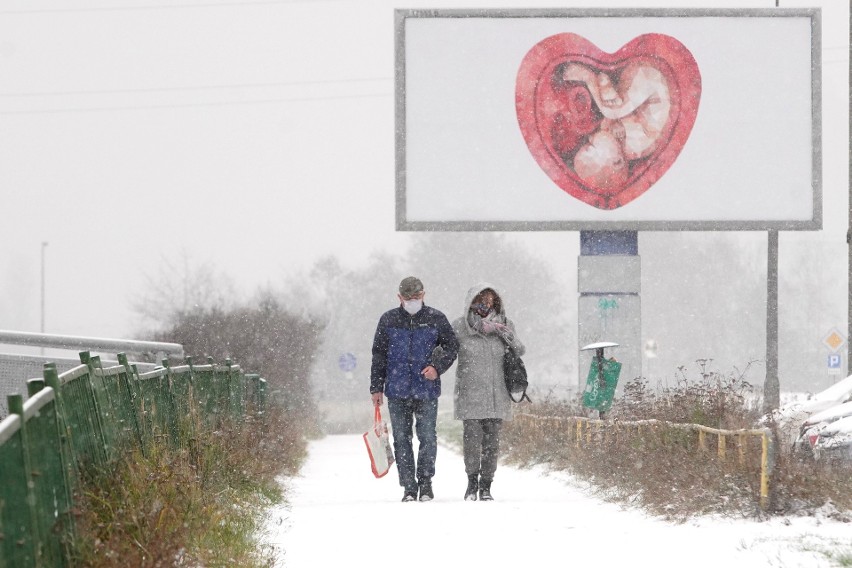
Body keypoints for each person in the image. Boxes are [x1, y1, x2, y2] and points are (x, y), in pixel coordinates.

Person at [370, 276, 459, 502]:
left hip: (427, 389)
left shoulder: (436, 319)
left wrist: (437, 368)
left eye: (416, 297)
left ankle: (426, 482)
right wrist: (376, 387)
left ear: (423, 295)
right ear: (399, 297)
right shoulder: (388, 320)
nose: (412, 301)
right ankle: (409, 486)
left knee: (428, 437)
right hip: (396, 390)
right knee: (401, 438)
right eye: (408, 298)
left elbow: (451, 347)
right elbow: (378, 356)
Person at [452, 283, 525, 501]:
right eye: (481, 298)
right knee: (472, 442)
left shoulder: (505, 324)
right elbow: (445, 352)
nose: (486, 303)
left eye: (490, 298)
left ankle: (486, 485)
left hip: (497, 394)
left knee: (492, 444)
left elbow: (520, 349)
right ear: (472, 301)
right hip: (470, 394)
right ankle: (472, 482)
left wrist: (506, 335)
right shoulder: (460, 327)